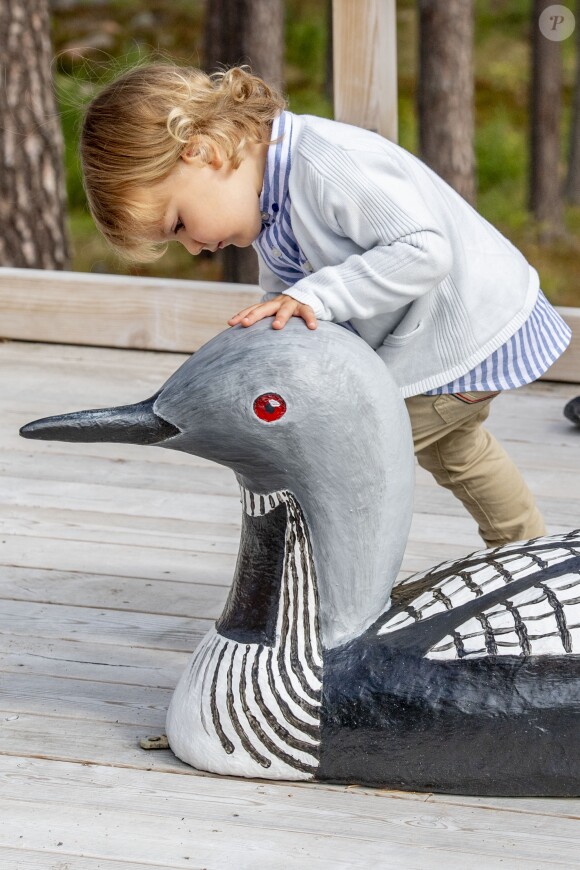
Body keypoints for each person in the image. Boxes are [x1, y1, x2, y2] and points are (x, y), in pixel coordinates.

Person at [80, 63, 572, 548]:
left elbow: (424, 250)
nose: (194, 247)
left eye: (180, 224)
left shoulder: (326, 163)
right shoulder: (268, 207)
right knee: (457, 451)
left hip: (464, 329)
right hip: (437, 335)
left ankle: (333, 588)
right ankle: (526, 550)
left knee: (349, 464)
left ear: (202, 152)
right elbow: (291, 294)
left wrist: (312, 296)